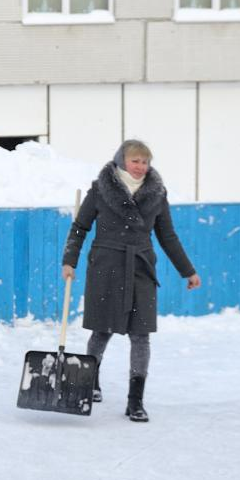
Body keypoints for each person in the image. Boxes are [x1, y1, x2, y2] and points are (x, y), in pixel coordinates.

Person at [61, 139, 201, 422]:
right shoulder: (101, 189)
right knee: (102, 329)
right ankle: (92, 380)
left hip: (141, 267)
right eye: (135, 161)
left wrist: (188, 270)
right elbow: (80, 227)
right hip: (106, 265)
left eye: (145, 162)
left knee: (141, 334)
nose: (140, 167)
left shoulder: (157, 194)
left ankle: (135, 401)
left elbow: (168, 236)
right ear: (122, 160)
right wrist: (69, 261)